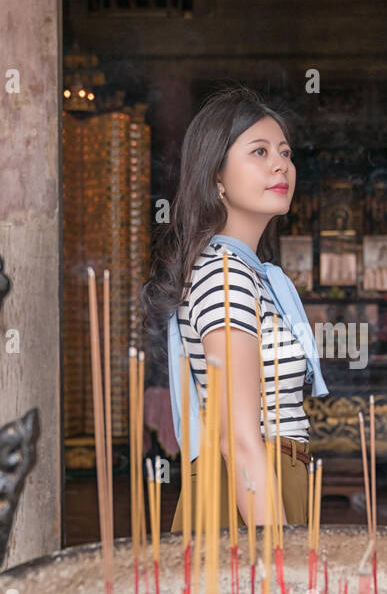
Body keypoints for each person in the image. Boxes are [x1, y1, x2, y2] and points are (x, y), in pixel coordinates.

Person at [140, 86, 329, 532]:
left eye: (285, 152)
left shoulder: (249, 272)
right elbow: (239, 437)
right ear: (217, 177)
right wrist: (276, 552)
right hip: (249, 492)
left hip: (271, 480)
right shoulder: (225, 276)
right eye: (259, 151)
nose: (280, 164)